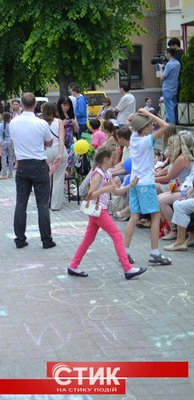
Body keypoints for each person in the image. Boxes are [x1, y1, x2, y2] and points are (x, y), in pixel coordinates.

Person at [67, 147, 146, 280]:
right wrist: (104, 190)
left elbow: (117, 191)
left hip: (98, 211)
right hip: (99, 211)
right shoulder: (98, 174)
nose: (114, 160)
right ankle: (127, 268)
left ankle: (73, 265)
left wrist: (130, 185)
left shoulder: (107, 173)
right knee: (117, 236)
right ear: (105, 159)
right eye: (112, 158)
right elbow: (89, 195)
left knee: (88, 239)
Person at [122, 109, 173, 266]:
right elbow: (166, 126)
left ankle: (125, 252)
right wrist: (149, 114)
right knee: (156, 216)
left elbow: (134, 126)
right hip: (146, 183)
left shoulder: (134, 137)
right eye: (150, 125)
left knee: (134, 216)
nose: (152, 126)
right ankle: (155, 253)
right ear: (144, 129)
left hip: (135, 182)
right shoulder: (145, 140)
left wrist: (135, 118)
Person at [10, 93, 55, 249]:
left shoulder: (13, 122)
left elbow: (14, 141)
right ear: (35, 104)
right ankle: (46, 240)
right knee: (42, 204)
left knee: (21, 203)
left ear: (21, 104)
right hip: (39, 164)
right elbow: (49, 143)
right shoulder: (41, 123)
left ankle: (20, 239)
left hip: (22, 164)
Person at [41, 102, 68, 211]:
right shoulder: (59, 122)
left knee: (45, 178)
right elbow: (61, 139)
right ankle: (55, 205)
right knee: (58, 178)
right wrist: (60, 154)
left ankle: (45, 202)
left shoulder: (40, 122)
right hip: (58, 149)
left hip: (45, 152)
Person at [160, 47, 181, 125]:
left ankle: (171, 126)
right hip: (174, 87)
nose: (165, 55)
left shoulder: (169, 64)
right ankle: (174, 124)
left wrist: (161, 68)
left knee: (169, 109)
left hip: (167, 88)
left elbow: (162, 77)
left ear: (169, 54)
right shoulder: (178, 63)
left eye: (165, 53)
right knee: (173, 107)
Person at [0, 111, 14, 180]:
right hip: (10, 142)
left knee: (3, 158)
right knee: (10, 158)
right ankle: (10, 173)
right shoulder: (11, 125)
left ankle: (4, 173)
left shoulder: (0, 125)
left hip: (3, 142)